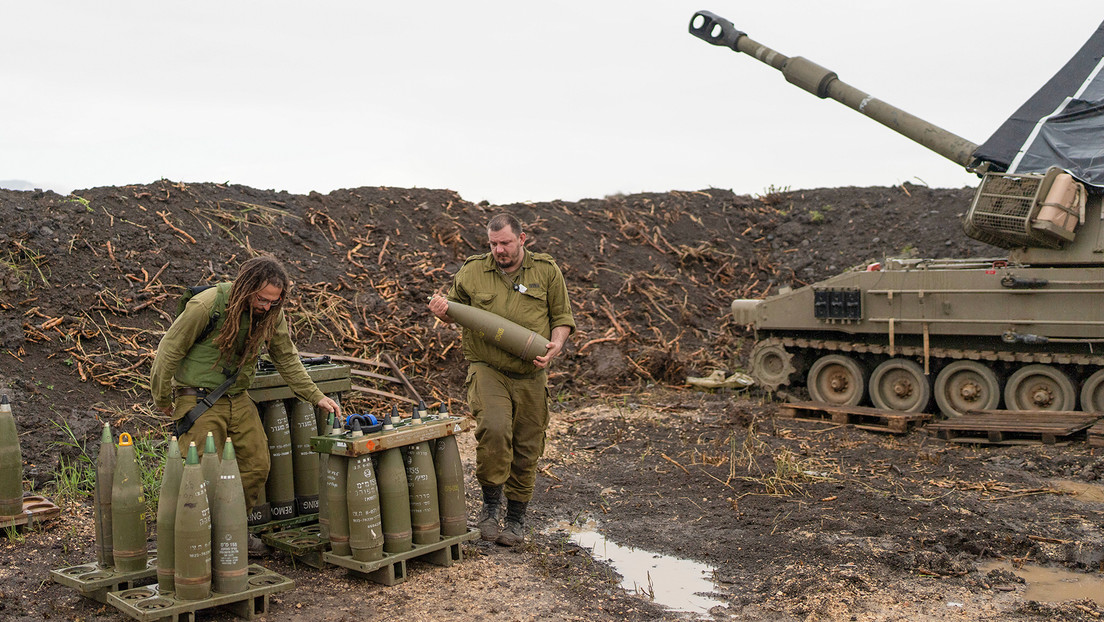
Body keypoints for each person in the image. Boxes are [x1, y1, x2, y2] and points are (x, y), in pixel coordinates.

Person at [150, 255, 340, 518]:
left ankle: (234, 529)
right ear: (246, 287)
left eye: (275, 301)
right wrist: (161, 398)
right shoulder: (206, 305)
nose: (267, 306)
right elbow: (168, 351)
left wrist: (315, 396)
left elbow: (285, 356)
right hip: (199, 400)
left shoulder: (273, 313)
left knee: (257, 465)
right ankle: (203, 539)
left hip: (238, 398)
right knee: (207, 474)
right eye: (262, 299)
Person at [429, 213, 575, 546]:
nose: (499, 250)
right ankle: (490, 509)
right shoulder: (472, 271)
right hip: (487, 367)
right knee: (494, 432)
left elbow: (562, 318)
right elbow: (458, 312)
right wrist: (443, 312)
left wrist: (555, 346)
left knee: (527, 446)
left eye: (505, 243)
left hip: (530, 373)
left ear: (522, 239)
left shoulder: (546, 271)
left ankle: (516, 519)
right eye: (493, 244)